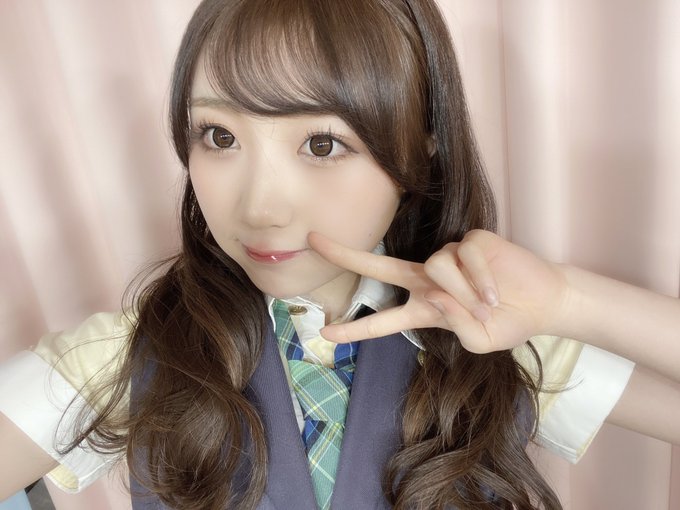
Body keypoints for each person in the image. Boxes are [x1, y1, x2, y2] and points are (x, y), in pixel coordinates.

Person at [0, 0, 678, 509]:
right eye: (219, 136)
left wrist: (568, 300)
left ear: (422, 145)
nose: (260, 207)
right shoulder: (131, 354)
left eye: (321, 144)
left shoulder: (495, 337)